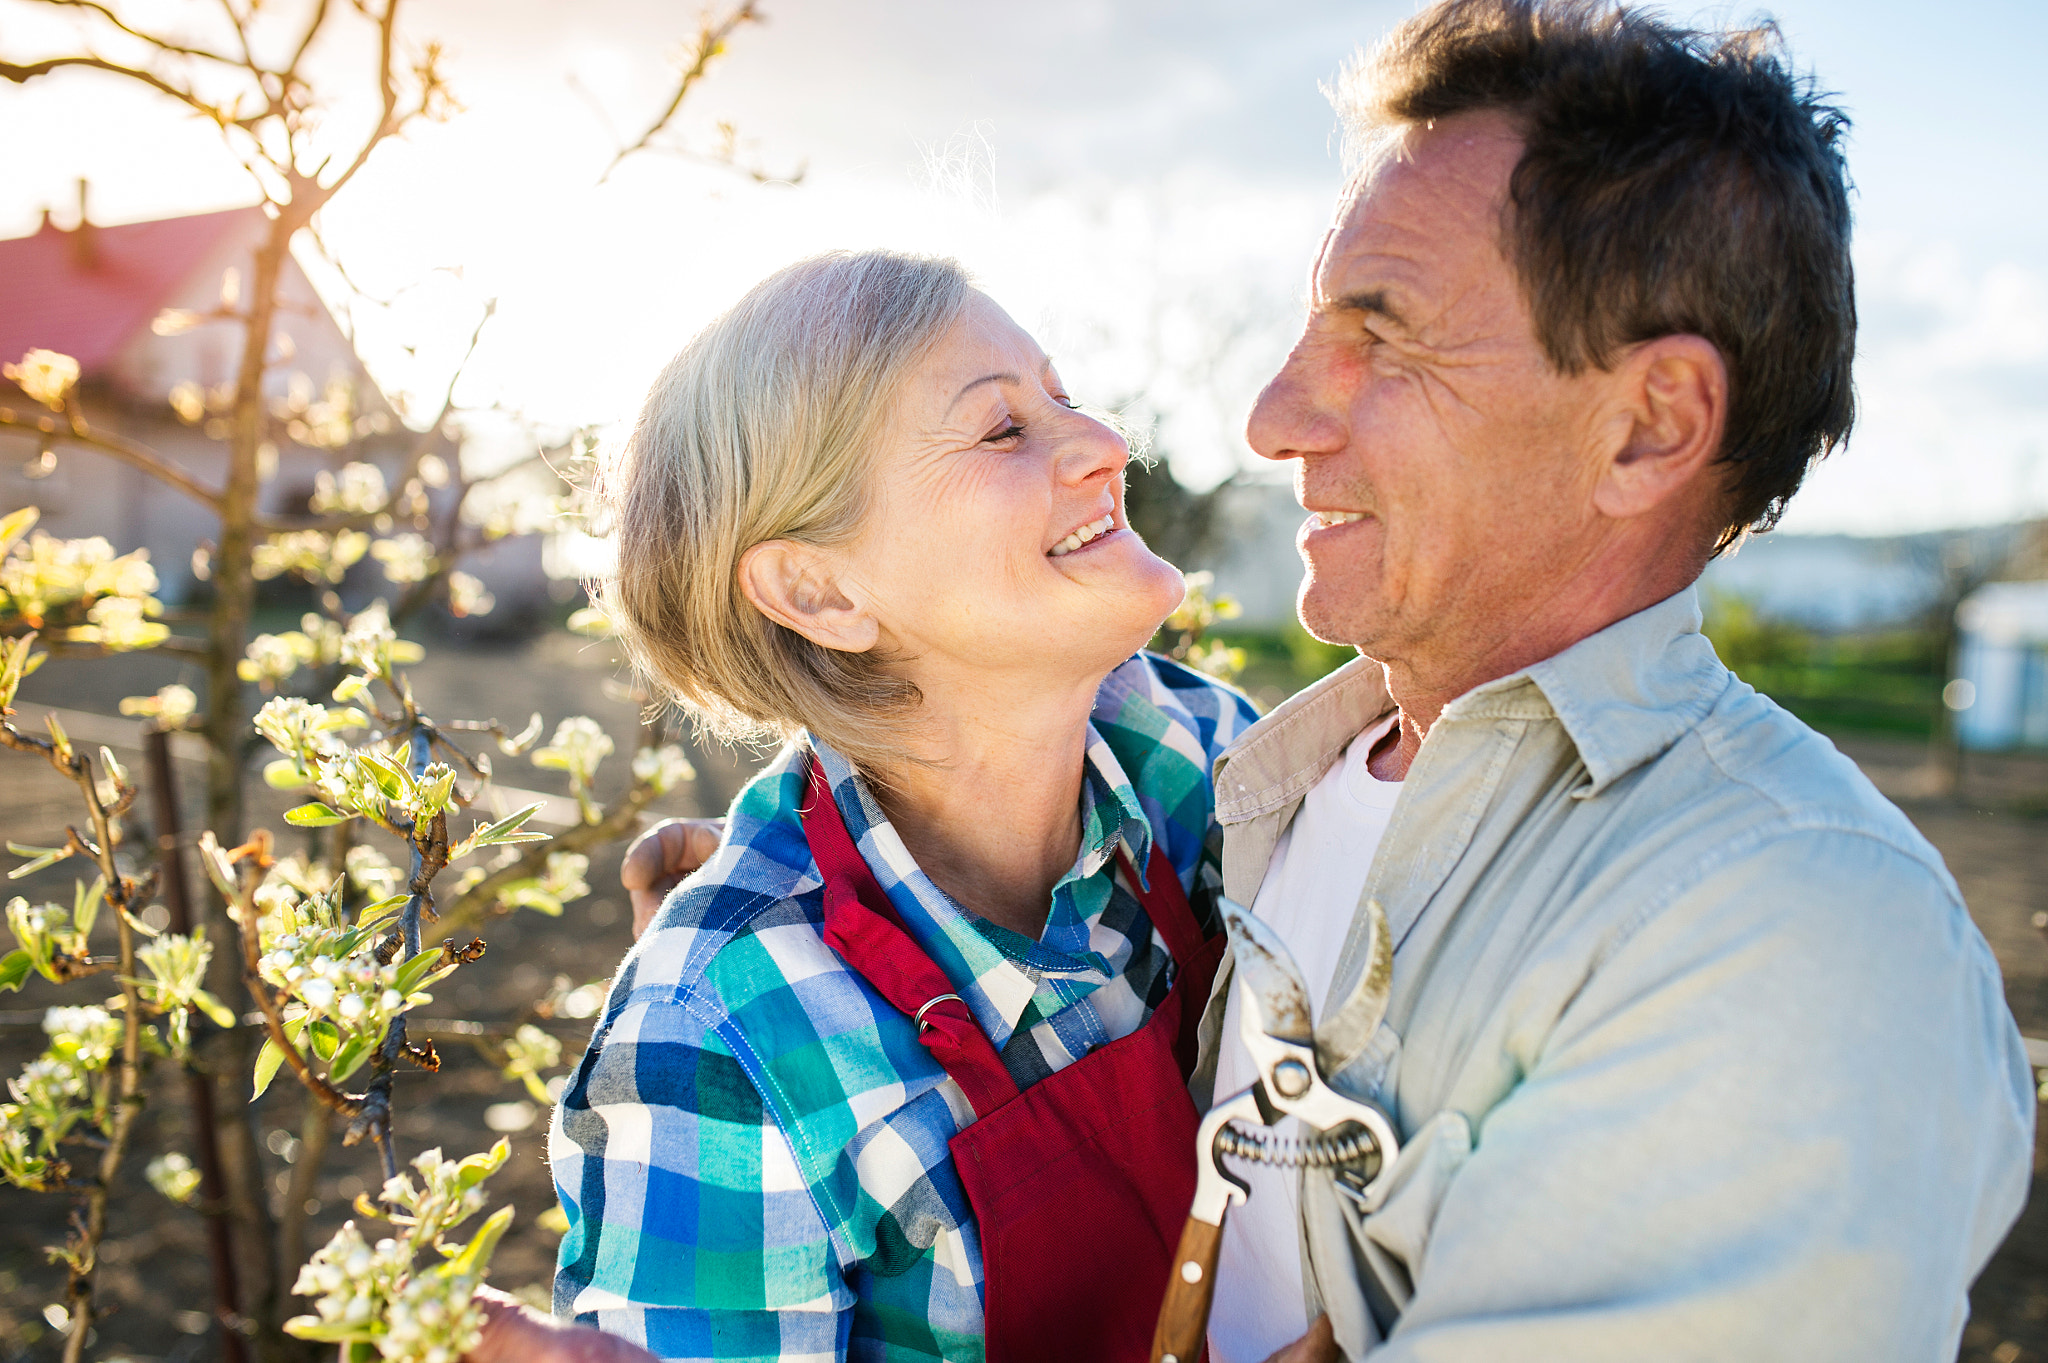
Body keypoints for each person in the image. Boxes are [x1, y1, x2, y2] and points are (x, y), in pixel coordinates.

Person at [1186, 1, 2033, 1359]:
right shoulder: (1257, 785)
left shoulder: (1798, 926)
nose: (1276, 414)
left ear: (1646, 429)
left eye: (1383, 336)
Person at [475, 250, 1260, 1363]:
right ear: (819, 592)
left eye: (1064, 396)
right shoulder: (717, 1044)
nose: (1107, 445)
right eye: (1001, 430)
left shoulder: (1182, 745)